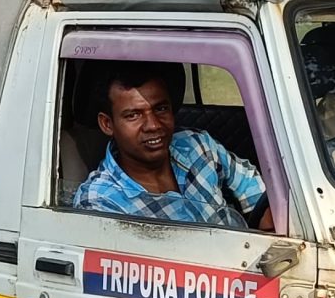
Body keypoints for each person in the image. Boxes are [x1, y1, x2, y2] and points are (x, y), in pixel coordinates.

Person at [71, 61, 273, 231]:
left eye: (160, 109)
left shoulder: (196, 145)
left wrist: (266, 219)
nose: (153, 125)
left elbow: (248, 181)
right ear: (107, 124)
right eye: (133, 115)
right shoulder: (100, 202)